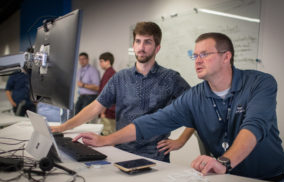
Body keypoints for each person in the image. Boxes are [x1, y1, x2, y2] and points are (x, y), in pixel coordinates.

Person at [73, 33, 284, 182]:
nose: (197, 60)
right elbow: (151, 123)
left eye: (204, 54)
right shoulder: (194, 96)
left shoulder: (260, 83)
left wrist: (224, 162)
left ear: (227, 57)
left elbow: (254, 125)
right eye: (194, 55)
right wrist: (105, 140)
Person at [52, 22, 194, 162]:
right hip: (121, 151)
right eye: (138, 41)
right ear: (133, 45)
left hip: (155, 156)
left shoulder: (171, 78)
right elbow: (96, 107)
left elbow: (195, 109)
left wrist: (181, 141)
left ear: (157, 48)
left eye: (148, 42)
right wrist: (63, 127)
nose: (141, 47)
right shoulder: (120, 77)